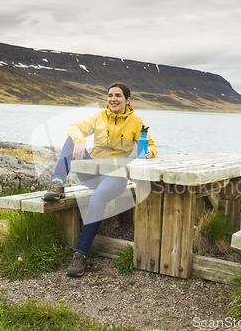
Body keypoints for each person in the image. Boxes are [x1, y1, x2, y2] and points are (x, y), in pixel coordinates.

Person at [44, 82, 157, 277]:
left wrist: (149, 152)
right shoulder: (98, 117)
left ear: (127, 100)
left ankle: (80, 255)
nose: (113, 99)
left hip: (115, 177)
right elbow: (73, 127)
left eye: (118, 96)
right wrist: (80, 141)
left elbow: (151, 145)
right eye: (110, 95)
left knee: (97, 199)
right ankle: (57, 183)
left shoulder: (136, 122)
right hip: (91, 173)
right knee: (71, 138)